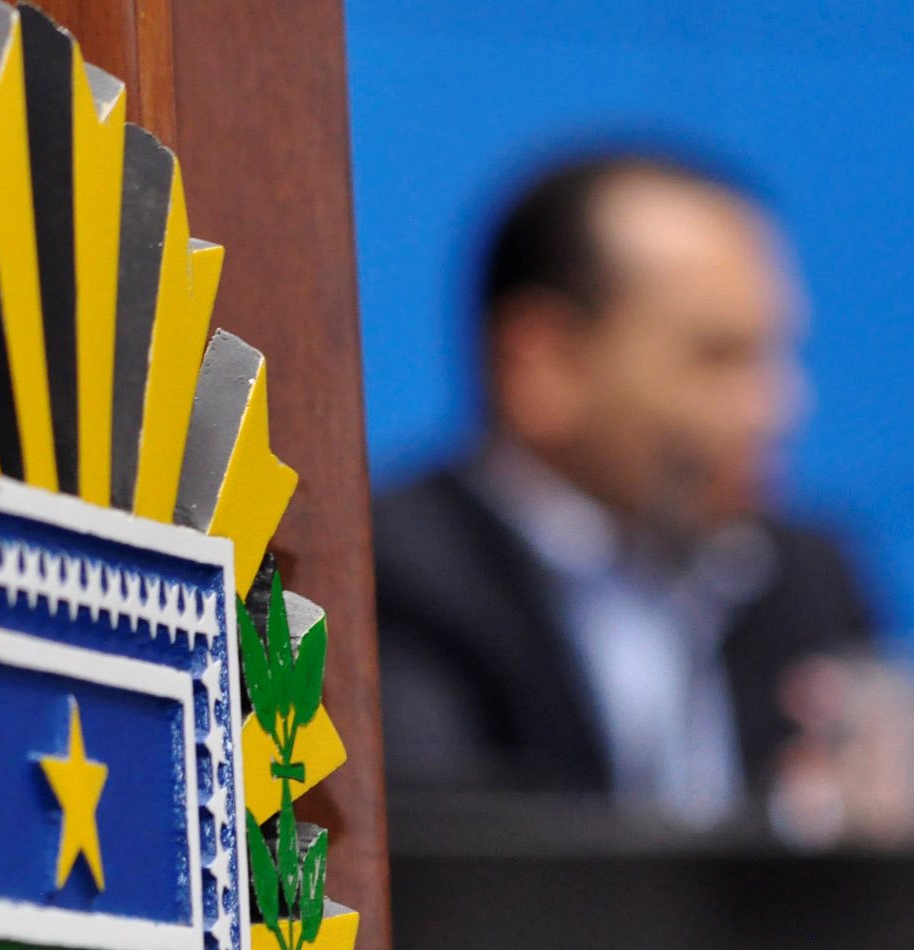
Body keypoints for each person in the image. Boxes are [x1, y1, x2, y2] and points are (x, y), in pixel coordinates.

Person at [373, 151, 886, 827]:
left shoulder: (807, 575)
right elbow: (446, 854)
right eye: (717, 357)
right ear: (546, 367)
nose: (778, 409)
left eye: (774, 355)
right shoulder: (389, 579)